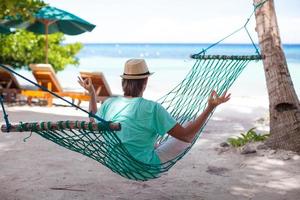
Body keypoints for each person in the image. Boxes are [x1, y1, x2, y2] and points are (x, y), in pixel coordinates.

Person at [78, 59, 230, 165]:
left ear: (123, 82)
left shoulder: (109, 103)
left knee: (148, 135)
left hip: (116, 161)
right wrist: (210, 107)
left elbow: (92, 119)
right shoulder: (152, 108)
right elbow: (185, 136)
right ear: (145, 82)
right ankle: (154, 146)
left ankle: (153, 145)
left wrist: (92, 93)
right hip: (144, 166)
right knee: (189, 128)